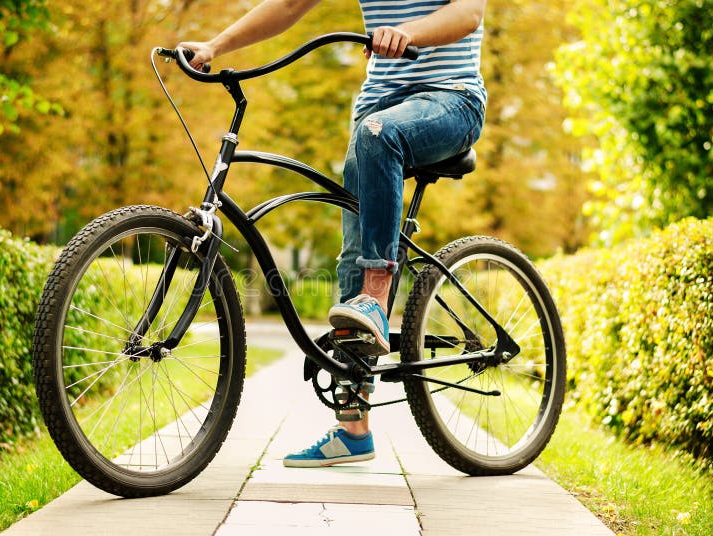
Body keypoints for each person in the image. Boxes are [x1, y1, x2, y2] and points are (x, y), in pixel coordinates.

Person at [179, 0, 486, 468]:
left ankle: (377, 300)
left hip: (452, 99)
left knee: (378, 138)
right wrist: (216, 45)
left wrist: (407, 31)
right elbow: (288, 4)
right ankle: (353, 430)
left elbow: (468, 14)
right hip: (377, 110)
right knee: (351, 259)